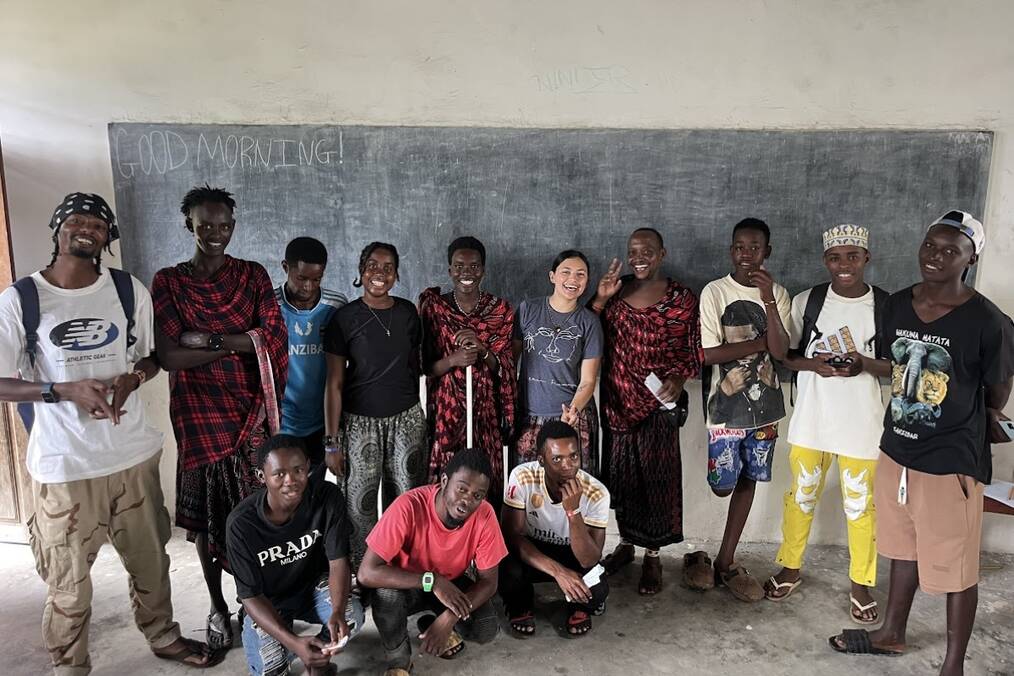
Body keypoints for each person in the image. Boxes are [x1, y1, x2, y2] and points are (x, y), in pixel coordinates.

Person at [0, 193, 219, 672]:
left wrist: (132, 379)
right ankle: (70, 665)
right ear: (58, 228)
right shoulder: (22, 299)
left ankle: (163, 635)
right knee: (68, 582)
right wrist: (61, 390)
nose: (87, 229)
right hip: (65, 468)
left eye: (98, 225)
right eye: (77, 221)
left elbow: (151, 358)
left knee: (151, 562)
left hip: (131, 457)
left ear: (107, 237)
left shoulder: (126, 289)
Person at [829, 211, 1013, 676]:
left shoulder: (989, 322)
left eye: (951, 250)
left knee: (956, 566)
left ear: (971, 259)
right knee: (901, 545)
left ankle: (953, 665)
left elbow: (996, 394)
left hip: (949, 460)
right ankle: (891, 633)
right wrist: (862, 365)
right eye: (930, 245)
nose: (935, 256)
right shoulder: (897, 305)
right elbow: (896, 366)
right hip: (897, 448)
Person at [152, 185, 288, 650]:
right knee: (207, 522)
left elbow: (271, 338)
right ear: (188, 224)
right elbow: (170, 355)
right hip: (199, 417)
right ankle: (217, 605)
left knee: (259, 515)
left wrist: (207, 340)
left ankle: (257, 604)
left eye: (224, 225)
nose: (215, 233)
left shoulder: (251, 276)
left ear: (234, 226)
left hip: (250, 414)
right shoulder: (169, 282)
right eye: (205, 225)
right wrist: (238, 342)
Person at [764, 225, 883, 623]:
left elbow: (896, 365)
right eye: (835, 257)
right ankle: (790, 566)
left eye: (852, 256)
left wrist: (863, 365)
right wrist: (813, 365)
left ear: (866, 258)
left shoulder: (884, 305)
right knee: (802, 495)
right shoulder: (809, 301)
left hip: (862, 424)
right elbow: (786, 356)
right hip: (813, 419)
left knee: (860, 504)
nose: (844, 265)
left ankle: (862, 581)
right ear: (825, 261)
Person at [588, 227, 703, 595]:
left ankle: (653, 556)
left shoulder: (681, 298)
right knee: (621, 481)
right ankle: (625, 545)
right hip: (617, 403)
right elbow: (586, 330)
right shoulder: (615, 290)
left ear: (662, 254)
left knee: (656, 483)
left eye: (647, 251)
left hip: (657, 406)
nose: (639, 258)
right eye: (633, 251)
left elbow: (691, 349)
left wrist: (679, 379)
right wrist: (600, 298)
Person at [688, 217, 790, 602]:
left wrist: (768, 300)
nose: (747, 254)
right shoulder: (715, 292)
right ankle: (702, 555)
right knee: (722, 485)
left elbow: (781, 351)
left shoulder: (778, 294)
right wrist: (760, 343)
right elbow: (709, 353)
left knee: (750, 478)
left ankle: (725, 560)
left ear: (767, 251)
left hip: (766, 410)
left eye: (754, 247)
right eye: (740, 247)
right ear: (731, 251)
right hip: (725, 409)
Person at [357, 448, 506, 676]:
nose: (467, 500)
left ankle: (432, 623)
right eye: (462, 489)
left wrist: (450, 618)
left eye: (477, 495)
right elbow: (367, 573)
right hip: (407, 585)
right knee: (386, 595)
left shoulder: (485, 514)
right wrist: (432, 581)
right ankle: (399, 660)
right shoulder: (408, 505)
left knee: (486, 628)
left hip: (450, 584)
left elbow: (489, 582)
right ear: (444, 481)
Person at [323, 242, 426, 569]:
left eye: (387, 267)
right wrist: (332, 443)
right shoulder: (344, 319)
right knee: (359, 506)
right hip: (359, 424)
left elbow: (415, 366)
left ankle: (404, 574)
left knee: (406, 501)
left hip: (406, 421)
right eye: (372, 266)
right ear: (361, 270)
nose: (379, 273)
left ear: (396, 274)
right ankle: (364, 573)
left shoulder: (408, 313)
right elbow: (334, 384)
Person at [227, 434, 365, 676]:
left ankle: (318, 662)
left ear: (308, 467)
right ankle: (295, 651)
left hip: (312, 590)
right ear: (262, 476)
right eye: (279, 474)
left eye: (298, 470)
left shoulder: (327, 497)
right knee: (270, 668)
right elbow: (251, 596)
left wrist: (337, 611)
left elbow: (338, 561)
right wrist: (294, 643)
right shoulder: (241, 525)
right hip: (269, 602)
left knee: (350, 614)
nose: (290, 480)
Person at [419, 236, 516, 505]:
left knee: (485, 473)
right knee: (447, 478)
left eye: (474, 266)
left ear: (483, 270)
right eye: (459, 266)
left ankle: (485, 529)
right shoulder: (435, 309)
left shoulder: (500, 310)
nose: (467, 273)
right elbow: (426, 366)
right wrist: (453, 360)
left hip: (485, 410)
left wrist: (482, 350)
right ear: (450, 270)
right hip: (446, 411)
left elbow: (504, 367)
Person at [500, 420, 610, 636]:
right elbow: (511, 537)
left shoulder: (596, 493)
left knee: (597, 589)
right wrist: (558, 572)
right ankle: (520, 605)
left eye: (573, 457)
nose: (568, 466)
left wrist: (573, 512)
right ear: (541, 460)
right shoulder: (522, 476)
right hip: (533, 551)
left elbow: (589, 559)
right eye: (557, 459)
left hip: (573, 554)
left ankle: (579, 606)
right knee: (506, 570)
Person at [513, 250, 604, 476]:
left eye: (581, 274)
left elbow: (588, 380)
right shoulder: (527, 310)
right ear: (552, 276)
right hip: (529, 416)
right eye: (566, 272)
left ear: (587, 281)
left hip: (572, 417)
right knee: (528, 488)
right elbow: (509, 363)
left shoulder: (589, 323)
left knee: (571, 488)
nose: (573, 279)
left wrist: (573, 411)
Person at [274, 237, 347, 476]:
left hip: (321, 421)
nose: (308, 287)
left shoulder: (335, 306)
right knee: (286, 487)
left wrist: (333, 438)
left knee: (313, 487)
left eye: (316, 279)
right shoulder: (270, 305)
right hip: (281, 423)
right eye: (301, 278)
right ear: (285, 267)